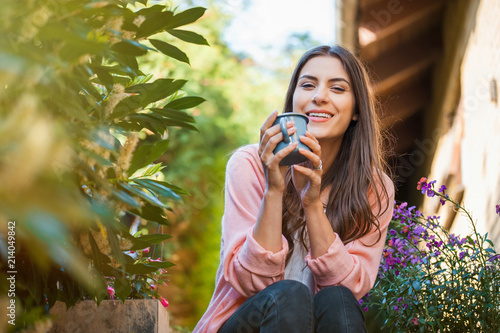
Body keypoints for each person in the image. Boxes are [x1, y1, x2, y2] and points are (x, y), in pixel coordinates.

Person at [193, 45, 395, 333]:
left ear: (356, 110)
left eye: (337, 89)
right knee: (288, 295)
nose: (319, 96)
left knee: (338, 299)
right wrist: (273, 191)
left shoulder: (373, 187)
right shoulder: (250, 164)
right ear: (293, 100)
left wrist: (313, 206)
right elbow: (252, 281)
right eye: (308, 85)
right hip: (246, 324)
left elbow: (349, 288)